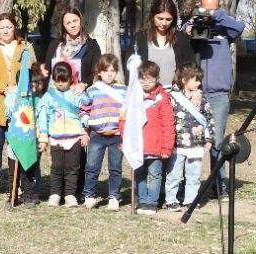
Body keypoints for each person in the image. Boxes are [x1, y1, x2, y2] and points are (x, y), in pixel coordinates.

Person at [186, 0, 244, 198]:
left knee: (217, 141)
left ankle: (220, 185)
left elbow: (240, 27)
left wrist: (216, 17)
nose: (208, 12)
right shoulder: (194, 24)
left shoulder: (225, 27)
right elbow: (186, 31)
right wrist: (197, 20)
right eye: (205, 7)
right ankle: (188, 185)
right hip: (195, 93)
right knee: (189, 139)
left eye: (213, 7)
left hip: (219, 96)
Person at [0, 12, 37, 196]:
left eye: (9, 26)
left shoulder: (25, 47)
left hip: (20, 104)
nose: (6, 30)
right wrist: (4, 88)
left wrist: (20, 88)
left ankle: (17, 181)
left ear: (15, 27)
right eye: (2, 27)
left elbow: (33, 70)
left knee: (17, 142)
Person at [126, 59, 174, 216]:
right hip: (138, 146)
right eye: (143, 79)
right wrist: (125, 141)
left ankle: (152, 202)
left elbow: (168, 123)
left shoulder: (162, 98)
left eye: (150, 79)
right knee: (139, 175)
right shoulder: (133, 96)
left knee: (155, 175)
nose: (146, 83)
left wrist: (167, 147)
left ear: (157, 79)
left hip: (156, 146)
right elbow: (125, 120)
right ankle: (143, 200)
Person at [165, 63, 214, 212]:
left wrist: (210, 139)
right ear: (184, 79)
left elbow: (209, 118)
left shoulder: (202, 99)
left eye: (199, 80)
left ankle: (190, 200)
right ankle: (171, 200)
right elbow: (167, 119)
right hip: (177, 143)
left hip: (196, 143)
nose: (198, 83)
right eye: (195, 79)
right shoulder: (172, 97)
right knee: (174, 173)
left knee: (193, 175)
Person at [80, 54, 127, 209]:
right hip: (97, 135)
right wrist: (88, 123)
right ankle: (89, 195)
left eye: (113, 71)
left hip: (116, 136)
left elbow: (129, 110)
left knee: (115, 168)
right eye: (106, 70)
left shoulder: (123, 90)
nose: (109, 74)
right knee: (92, 167)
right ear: (99, 72)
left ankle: (114, 197)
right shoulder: (92, 90)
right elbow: (83, 109)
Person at [37, 61, 87, 207]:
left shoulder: (76, 95)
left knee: (72, 168)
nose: (60, 84)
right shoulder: (48, 96)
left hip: (74, 138)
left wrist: (84, 132)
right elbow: (43, 117)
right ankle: (55, 194)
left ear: (70, 79)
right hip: (56, 139)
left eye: (64, 80)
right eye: (57, 80)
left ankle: (70, 195)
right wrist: (43, 138)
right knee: (57, 168)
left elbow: (83, 113)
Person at [132, 0, 195, 95]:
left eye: (168, 19)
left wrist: (195, 91)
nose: (164, 23)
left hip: (175, 96)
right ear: (153, 16)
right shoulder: (140, 38)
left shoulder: (181, 39)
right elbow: (132, 72)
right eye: (160, 18)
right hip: (146, 97)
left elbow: (191, 68)